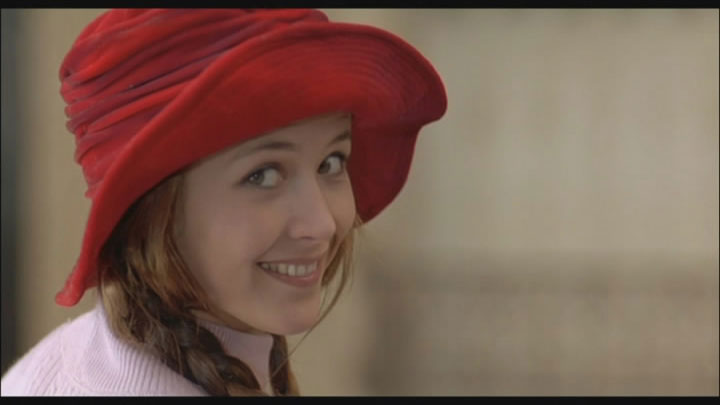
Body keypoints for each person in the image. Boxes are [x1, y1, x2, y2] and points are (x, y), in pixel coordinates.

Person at [1, 8, 447, 396]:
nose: (322, 224)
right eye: (262, 175)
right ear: (154, 209)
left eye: (331, 162)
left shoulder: (91, 353)